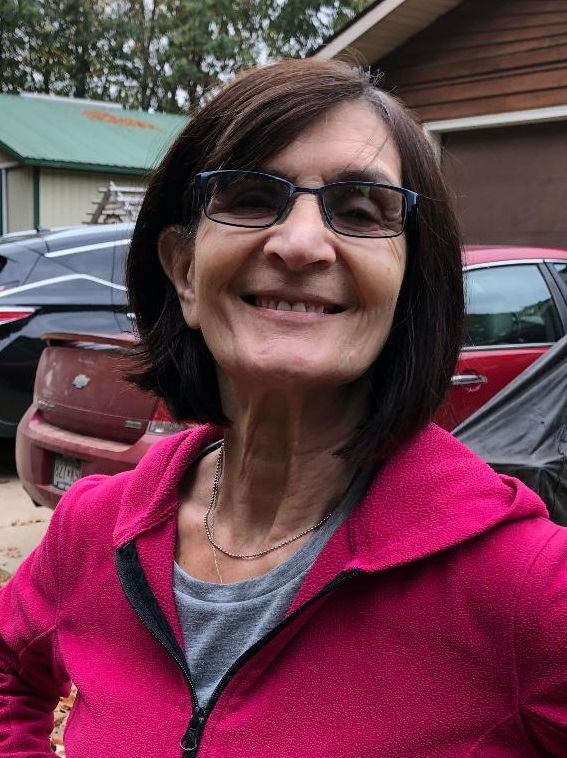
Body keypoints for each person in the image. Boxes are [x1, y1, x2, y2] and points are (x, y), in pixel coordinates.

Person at [1, 58, 567, 758]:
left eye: (360, 210)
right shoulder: (92, 531)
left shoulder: (523, 586)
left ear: (407, 283)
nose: (299, 244)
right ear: (184, 272)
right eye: (249, 198)